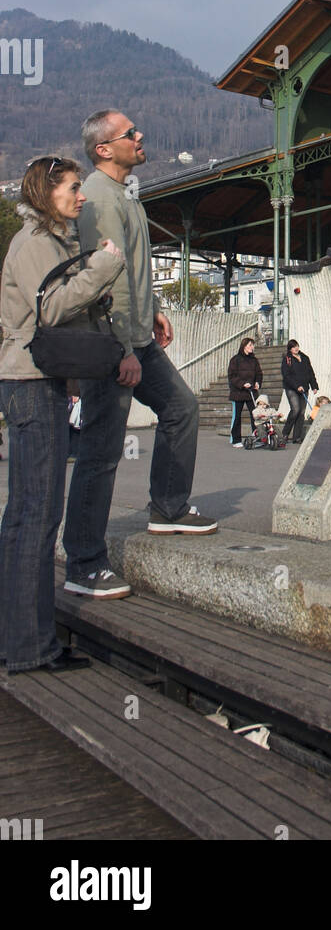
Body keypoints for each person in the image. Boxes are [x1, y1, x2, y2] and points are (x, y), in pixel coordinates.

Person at [63, 111, 218, 601]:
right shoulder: (99, 200)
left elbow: (131, 270)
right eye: (130, 133)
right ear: (104, 149)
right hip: (114, 343)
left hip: (136, 335)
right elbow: (103, 280)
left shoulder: (123, 193)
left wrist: (153, 311)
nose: (141, 136)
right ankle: (84, 562)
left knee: (181, 408)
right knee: (102, 449)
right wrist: (123, 349)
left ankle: (168, 508)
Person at [0, 157, 125, 671]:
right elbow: (48, 309)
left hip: (33, 382)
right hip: (30, 385)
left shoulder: (48, 240)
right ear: (46, 190)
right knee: (37, 514)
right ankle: (31, 647)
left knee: (25, 515)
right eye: (73, 188)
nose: (81, 197)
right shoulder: (34, 242)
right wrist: (104, 266)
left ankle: (19, 638)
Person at [280, 339, 318, 444]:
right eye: (293, 347)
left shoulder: (305, 358)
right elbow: (286, 375)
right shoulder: (287, 359)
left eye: (296, 346)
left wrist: (314, 386)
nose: (296, 348)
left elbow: (310, 373)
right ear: (290, 349)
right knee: (295, 409)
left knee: (301, 412)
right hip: (292, 388)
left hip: (304, 388)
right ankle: (285, 434)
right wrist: (297, 386)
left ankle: (297, 437)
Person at [227, 337, 262, 446]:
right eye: (250, 345)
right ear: (244, 346)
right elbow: (232, 376)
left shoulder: (254, 360)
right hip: (238, 392)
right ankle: (236, 440)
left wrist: (257, 383)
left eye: (253, 345)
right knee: (237, 416)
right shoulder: (235, 360)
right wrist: (242, 384)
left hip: (251, 392)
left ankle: (256, 437)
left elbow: (259, 373)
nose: (252, 347)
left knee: (255, 415)